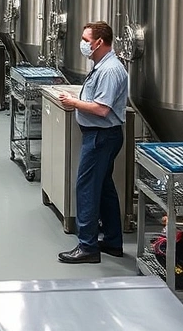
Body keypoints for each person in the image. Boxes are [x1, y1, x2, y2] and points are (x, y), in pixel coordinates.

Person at [56, 21, 128, 264]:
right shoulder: (102, 66)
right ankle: (113, 241)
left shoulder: (109, 70)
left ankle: (87, 247)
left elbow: (101, 109)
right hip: (101, 136)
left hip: (100, 137)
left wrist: (73, 102)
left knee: (86, 188)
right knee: (105, 189)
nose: (83, 44)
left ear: (99, 42)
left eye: (86, 40)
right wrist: (79, 98)